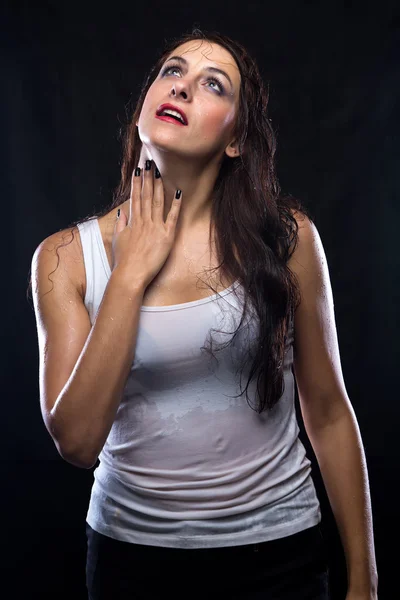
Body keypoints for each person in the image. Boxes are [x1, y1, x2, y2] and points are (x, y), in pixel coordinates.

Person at [30, 28, 378, 600]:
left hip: (281, 555)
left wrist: (364, 581)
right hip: (131, 563)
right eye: (172, 72)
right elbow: (76, 440)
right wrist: (131, 273)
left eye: (212, 84)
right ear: (146, 101)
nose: (184, 88)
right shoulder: (65, 259)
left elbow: (329, 412)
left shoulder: (288, 240)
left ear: (236, 137)